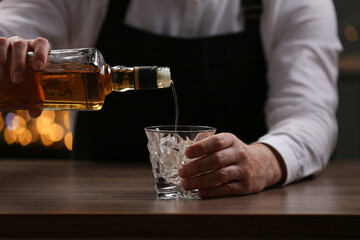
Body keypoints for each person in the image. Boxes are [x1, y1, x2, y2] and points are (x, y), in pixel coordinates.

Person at [0, 0, 341, 198]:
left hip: (242, 222)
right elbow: (12, 23)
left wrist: (262, 162)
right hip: (97, 215)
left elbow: (311, 116)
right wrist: (7, 48)